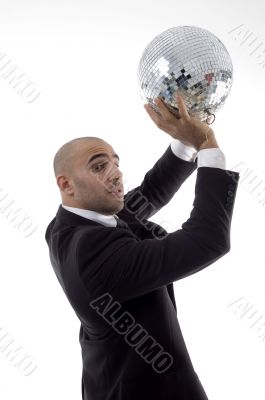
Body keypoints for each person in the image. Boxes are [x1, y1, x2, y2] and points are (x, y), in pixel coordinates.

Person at [45, 95, 240, 399]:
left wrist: (184, 140)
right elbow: (206, 239)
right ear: (66, 184)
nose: (116, 172)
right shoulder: (94, 255)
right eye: (99, 166)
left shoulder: (67, 224)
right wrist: (207, 145)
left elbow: (146, 196)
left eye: (115, 162)